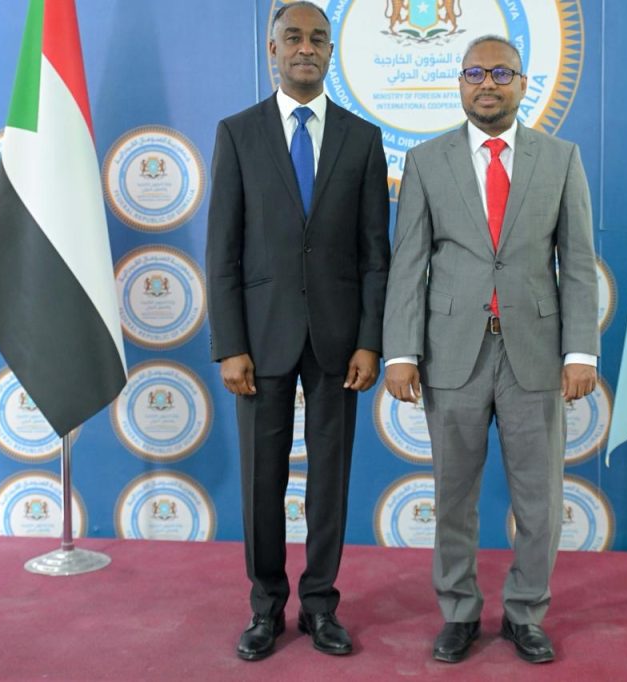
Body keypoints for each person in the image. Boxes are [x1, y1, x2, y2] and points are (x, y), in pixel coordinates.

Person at [382, 35, 599, 664]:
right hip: (452, 355)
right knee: (453, 496)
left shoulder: (561, 159)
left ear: (522, 84)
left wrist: (580, 352)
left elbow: (577, 262)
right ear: (460, 82)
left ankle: (526, 613)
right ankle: (459, 612)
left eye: (501, 73)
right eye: (475, 73)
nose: (487, 84)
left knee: (540, 499)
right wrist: (401, 352)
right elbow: (409, 263)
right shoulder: (426, 162)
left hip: (536, 354)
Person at [206, 1, 389, 662]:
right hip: (260, 342)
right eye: (293, 37)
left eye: (317, 38)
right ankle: (265, 607)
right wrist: (230, 344)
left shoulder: (362, 139)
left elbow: (375, 255)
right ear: (272, 49)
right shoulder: (237, 133)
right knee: (263, 482)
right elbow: (222, 251)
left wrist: (370, 339)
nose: (305, 47)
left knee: (329, 481)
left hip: (340, 341)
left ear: (330, 51)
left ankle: (319, 605)